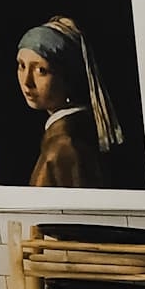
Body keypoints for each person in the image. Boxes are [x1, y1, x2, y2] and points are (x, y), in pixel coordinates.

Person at [15, 16, 123, 189]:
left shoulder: (64, 146)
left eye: (41, 70)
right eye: (21, 65)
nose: (27, 81)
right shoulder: (73, 131)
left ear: (68, 77)